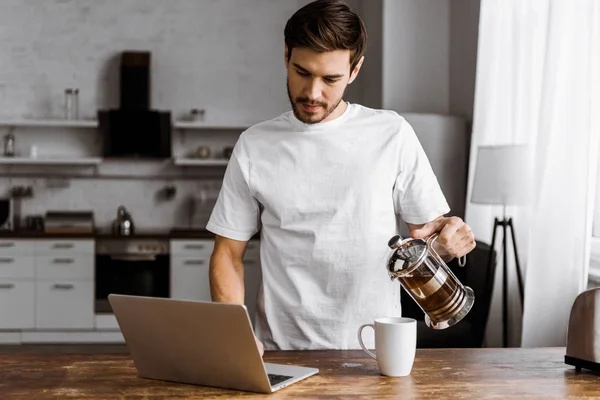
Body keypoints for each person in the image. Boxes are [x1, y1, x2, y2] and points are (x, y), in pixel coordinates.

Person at [206, 0, 475, 355]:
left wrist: (451, 235)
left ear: (355, 70)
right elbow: (227, 254)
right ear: (286, 55)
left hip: (375, 350)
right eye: (302, 72)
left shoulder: (391, 133)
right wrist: (235, 334)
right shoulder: (254, 146)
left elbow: (429, 235)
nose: (313, 93)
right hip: (282, 351)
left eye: (330, 79)